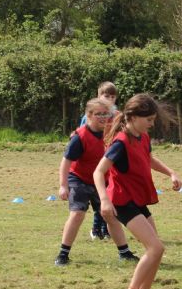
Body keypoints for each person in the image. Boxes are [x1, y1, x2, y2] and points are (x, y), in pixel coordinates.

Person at [94, 93, 182, 289]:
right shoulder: (120, 142)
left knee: (156, 251)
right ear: (133, 117)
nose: (151, 124)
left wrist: (170, 172)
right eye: (149, 120)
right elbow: (98, 172)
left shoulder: (142, 137)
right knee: (155, 248)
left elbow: (148, 159)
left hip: (137, 199)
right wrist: (104, 200)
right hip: (122, 201)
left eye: (153, 120)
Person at [54, 98, 138, 266]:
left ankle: (125, 253)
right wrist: (63, 185)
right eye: (98, 114)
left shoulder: (111, 132)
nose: (103, 117)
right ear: (89, 115)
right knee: (77, 214)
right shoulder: (80, 137)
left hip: (101, 181)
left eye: (105, 114)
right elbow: (66, 162)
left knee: (110, 214)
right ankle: (63, 254)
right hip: (79, 179)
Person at [80, 82, 120, 241]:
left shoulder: (117, 115)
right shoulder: (90, 116)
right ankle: (96, 228)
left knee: (109, 196)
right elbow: (82, 136)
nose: (109, 99)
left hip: (111, 160)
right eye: (106, 96)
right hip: (96, 162)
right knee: (99, 197)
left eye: (112, 96)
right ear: (99, 96)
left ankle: (106, 228)